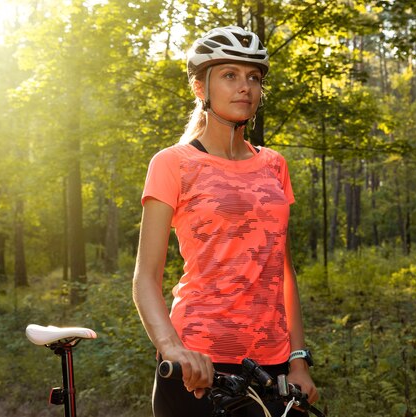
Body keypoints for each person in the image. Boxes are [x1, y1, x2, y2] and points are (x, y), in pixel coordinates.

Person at [132, 25, 318, 417]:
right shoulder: (174, 163)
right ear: (201, 88)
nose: (245, 87)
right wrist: (173, 349)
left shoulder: (274, 165)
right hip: (199, 363)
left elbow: (283, 271)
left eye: (253, 77)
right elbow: (145, 278)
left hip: (274, 367)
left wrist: (298, 360)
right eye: (229, 75)